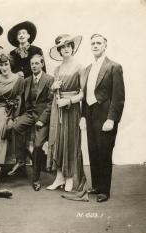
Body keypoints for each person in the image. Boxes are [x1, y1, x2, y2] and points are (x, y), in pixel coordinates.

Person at [80, 34, 125, 203]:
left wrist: (112, 119)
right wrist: (83, 116)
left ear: (105, 45)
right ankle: (97, 185)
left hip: (105, 115)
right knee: (93, 150)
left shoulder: (114, 67)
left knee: (104, 151)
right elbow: (85, 96)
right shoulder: (88, 68)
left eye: (99, 43)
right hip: (90, 114)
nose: (95, 46)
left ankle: (104, 190)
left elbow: (118, 97)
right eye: (93, 43)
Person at [46, 34, 87, 194]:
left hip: (72, 109)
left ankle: (69, 178)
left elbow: (83, 93)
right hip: (58, 109)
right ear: (59, 50)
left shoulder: (79, 67)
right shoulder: (56, 69)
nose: (66, 49)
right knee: (58, 140)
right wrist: (53, 88)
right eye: (62, 47)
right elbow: (54, 94)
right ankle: (59, 177)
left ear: (72, 47)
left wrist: (69, 101)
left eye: (68, 45)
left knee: (70, 141)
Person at [8, 54, 53, 192]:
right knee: (15, 127)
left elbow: (51, 104)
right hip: (30, 114)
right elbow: (23, 101)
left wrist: (42, 120)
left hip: (43, 116)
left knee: (38, 145)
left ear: (42, 64)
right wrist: (18, 117)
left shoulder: (49, 79)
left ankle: (36, 179)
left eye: (36, 63)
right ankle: (21, 160)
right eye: (32, 64)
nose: (34, 66)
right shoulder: (27, 80)